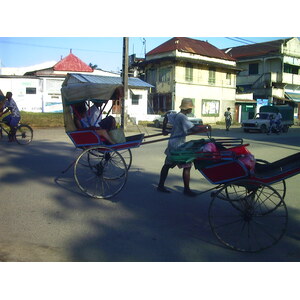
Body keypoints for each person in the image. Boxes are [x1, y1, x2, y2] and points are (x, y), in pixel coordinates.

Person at [157, 98, 203, 197]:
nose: (191, 110)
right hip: (178, 146)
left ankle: (160, 185)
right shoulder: (182, 117)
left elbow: (166, 116)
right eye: (191, 108)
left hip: (173, 143)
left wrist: (164, 130)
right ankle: (186, 189)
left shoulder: (177, 115)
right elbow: (193, 128)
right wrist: (205, 128)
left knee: (167, 165)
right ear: (187, 108)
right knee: (187, 165)